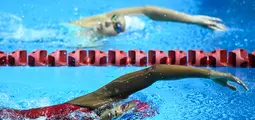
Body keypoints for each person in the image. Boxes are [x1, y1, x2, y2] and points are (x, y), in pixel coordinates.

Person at [0, 65, 247, 120]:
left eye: (122, 114)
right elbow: (153, 73)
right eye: (121, 107)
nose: (116, 111)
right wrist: (208, 73)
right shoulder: (97, 100)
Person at [68, 5, 227, 43]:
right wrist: (192, 19)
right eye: (114, 18)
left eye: (117, 26)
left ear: (120, 35)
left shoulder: (92, 46)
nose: (109, 22)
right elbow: (146, 10)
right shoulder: (89, 21)